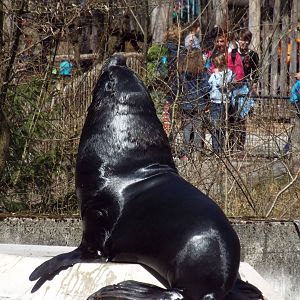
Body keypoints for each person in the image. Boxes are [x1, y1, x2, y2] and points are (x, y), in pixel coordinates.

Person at [178, 48, 210, 160]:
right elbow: (206, 88)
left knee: (186, 129)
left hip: (185, 102)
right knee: (198, 129)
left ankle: (185, 153)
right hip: (199, 103)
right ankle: (197, 153)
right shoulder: (202, 72)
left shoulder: (183, 71)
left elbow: (180, 87)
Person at [231, 29, 259, 150]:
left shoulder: (253, 55)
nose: (243, 42)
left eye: (246, 40)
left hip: (244, 87)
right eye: (241, 40)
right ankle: (230, 144)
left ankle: (240, 145)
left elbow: (256, 72)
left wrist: (254, 84)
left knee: (242, 117)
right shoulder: (232, 53)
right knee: (231, 116)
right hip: (232, 87)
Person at [208, 53, 235, 153]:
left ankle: (219, 149)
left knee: (219, 126)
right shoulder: (216, 74)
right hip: (214, 101)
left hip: (223, 102)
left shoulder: (227, 74)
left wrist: (217, 74)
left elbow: (221, 85)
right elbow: (209, 83)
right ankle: (216, 148)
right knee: (216, 126)